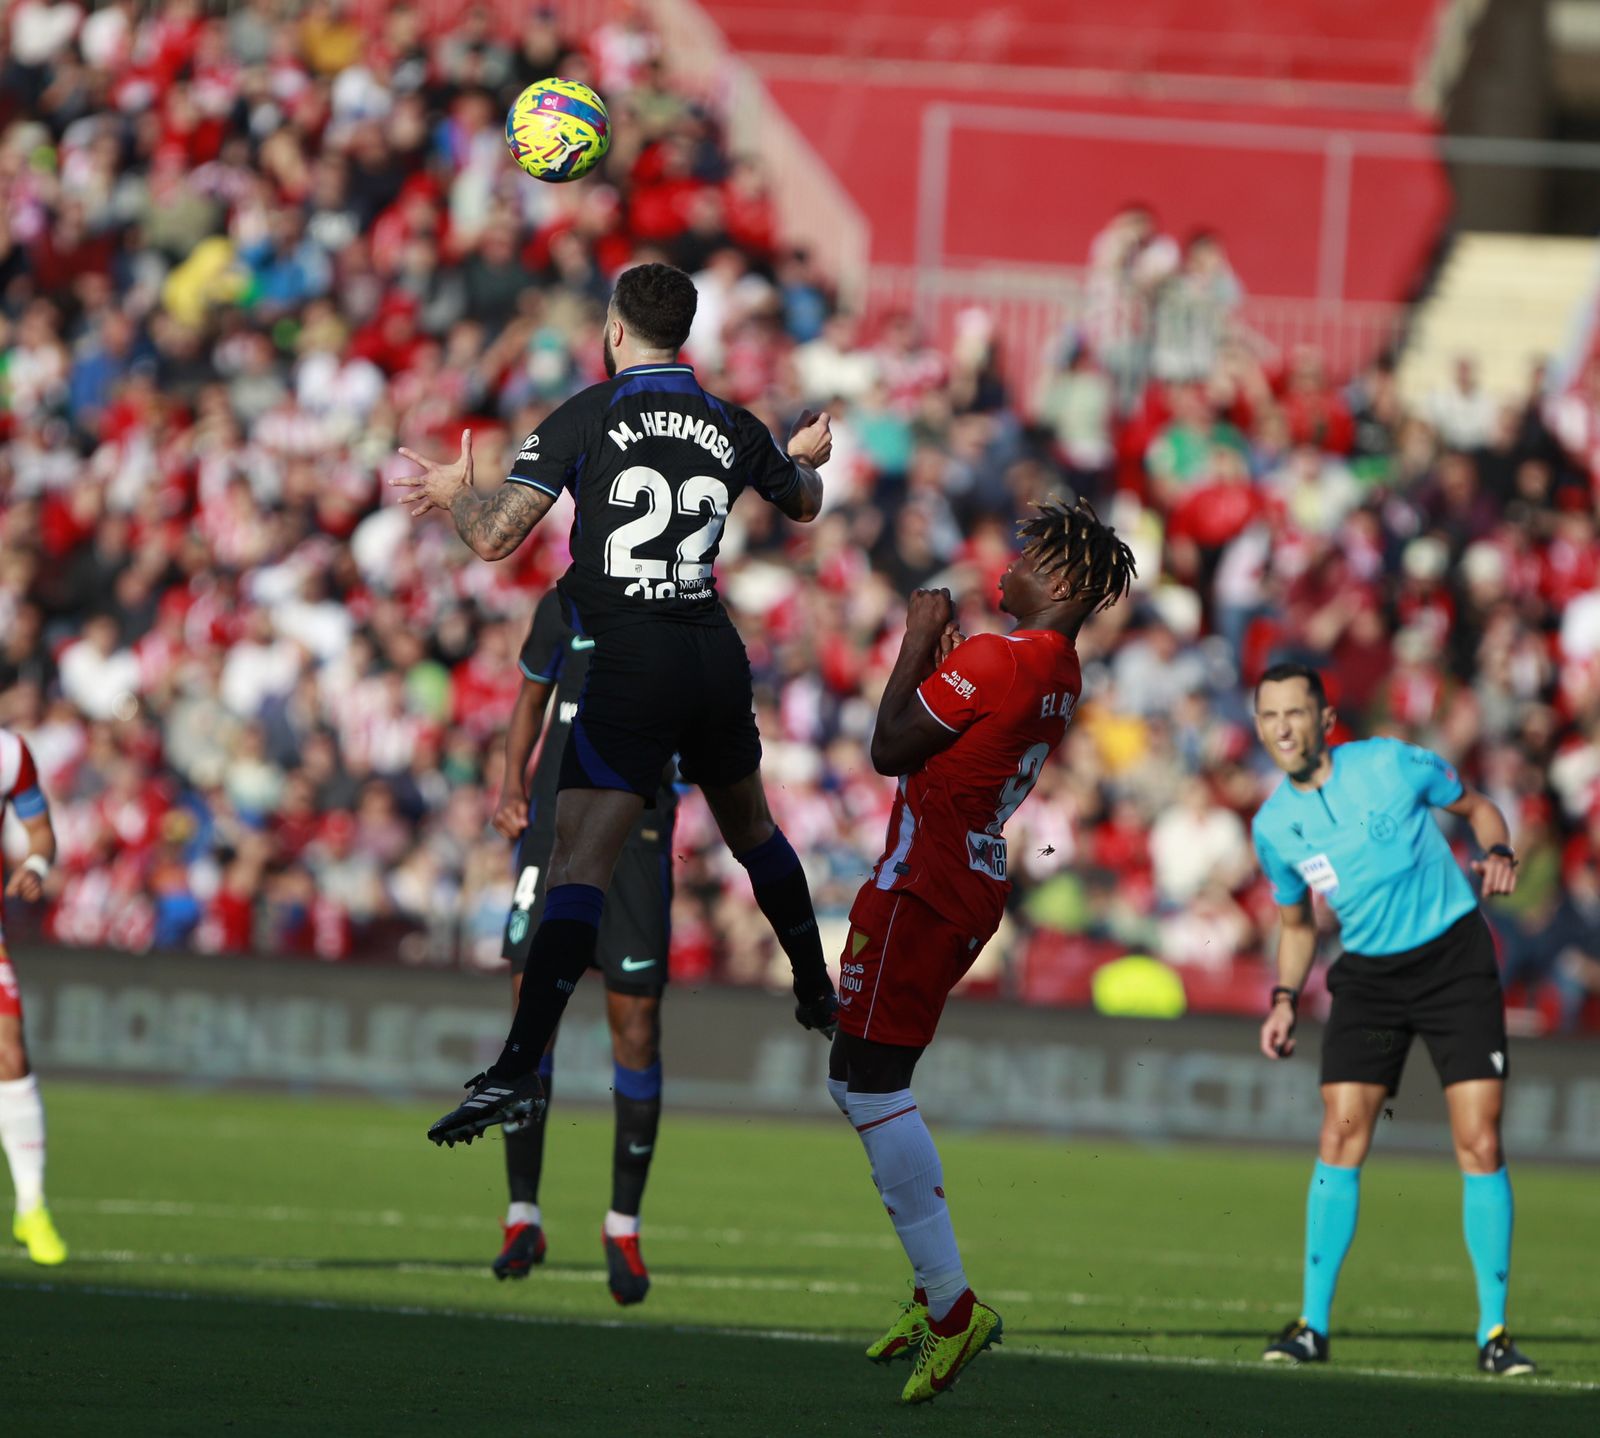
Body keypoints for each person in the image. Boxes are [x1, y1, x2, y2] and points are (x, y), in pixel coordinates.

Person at [393, 262, 838, 1144]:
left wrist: (453, 494)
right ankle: (817, 988)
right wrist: (802, 458)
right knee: (753, 830)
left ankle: (516, 1069)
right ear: (688, 336)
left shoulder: (589, 414)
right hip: (711, 651)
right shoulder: (730, 423)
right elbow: (807, 503)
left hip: (630, 660)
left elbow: (493, 536)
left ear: (614, 331)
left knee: (578, 863)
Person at [828, 499, 1136, 1405]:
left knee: (870, 1084)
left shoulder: (999, 656)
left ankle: (955, 1311)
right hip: (962, 879)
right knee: (857, 1078)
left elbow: (890, 747)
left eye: (1032, 555)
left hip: (923, 881)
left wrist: (917, 636)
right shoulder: (1059, 668)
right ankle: (937, 1295)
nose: (1011, 563)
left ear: (1069, 583)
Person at [1250, 663, 1535, 1376]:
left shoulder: (1390, 763)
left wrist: (1498, 851)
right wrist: (1284, 998)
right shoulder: (1273, 826)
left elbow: (1478, 809)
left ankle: (1494, 1335)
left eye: (1294, 713)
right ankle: (1311, 1327)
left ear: (1325, 719)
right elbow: (1296, 924)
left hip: (1453, 964)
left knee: (1478, 1138)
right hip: (1371, 980)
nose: (1281, 728)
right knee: (1340, 1131)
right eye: (1267, 717)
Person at [489, 590, 677, 1305]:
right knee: (528, 1018)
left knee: (635, 1029)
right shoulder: (565, 604)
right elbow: (531, 700)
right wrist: (511, 786)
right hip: (554, 834)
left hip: (637, 837)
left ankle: (622, 1226)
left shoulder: (682, 606)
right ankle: (521, 1216)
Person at [0, 726, 67, 1266]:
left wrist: (36, 865)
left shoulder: (10, 752)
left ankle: (31, 1204)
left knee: (11, 1052)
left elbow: (41, 831)